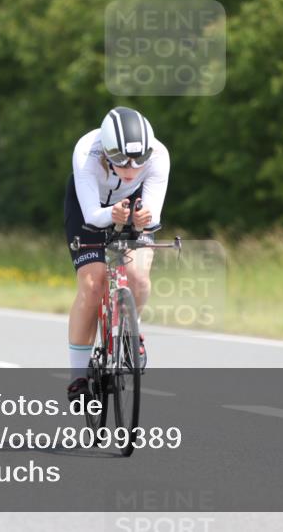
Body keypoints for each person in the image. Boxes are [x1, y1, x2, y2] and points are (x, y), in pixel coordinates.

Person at [64, 107, 169, 402]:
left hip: (134, 203)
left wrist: (141, 220)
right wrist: (113, 214)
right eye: (122, 160)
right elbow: (92, 216)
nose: (131, 169)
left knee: (138, 277)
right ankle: (78, 377)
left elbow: (154, 214)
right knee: (93, 283)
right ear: (108, 152)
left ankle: (130, 333)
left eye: (139, 160)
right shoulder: (86, 152)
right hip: (90, 208)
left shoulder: (159, 154)